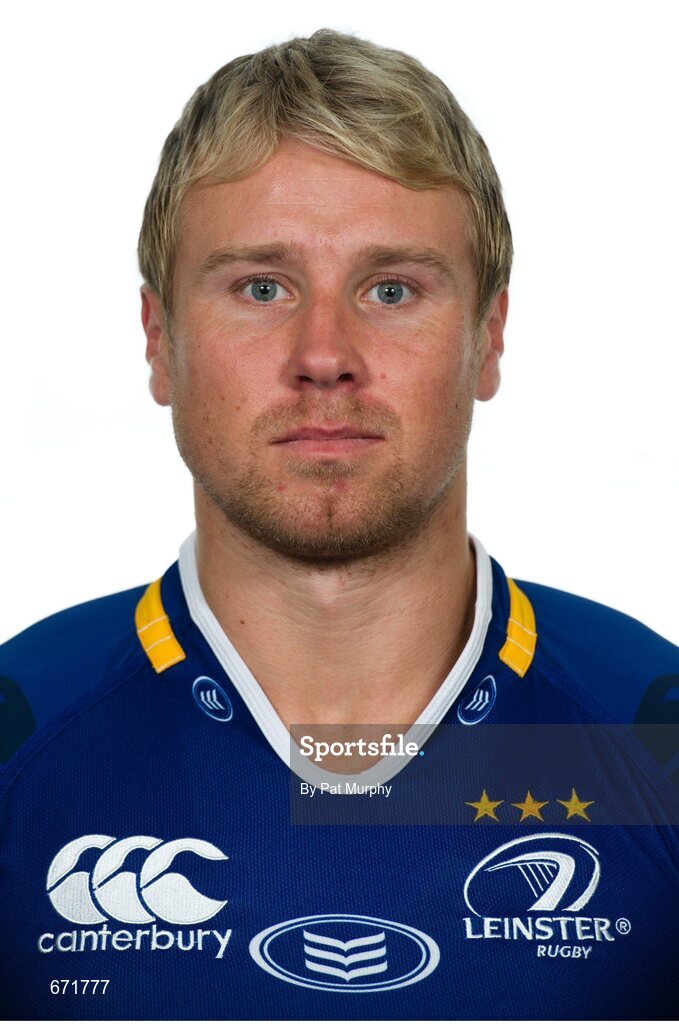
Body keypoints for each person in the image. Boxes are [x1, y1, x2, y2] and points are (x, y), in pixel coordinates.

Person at [0, 28, 676, 1022]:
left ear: (488, 338)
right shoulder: (19, 739)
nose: (324, 354)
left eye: (390, 289)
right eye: (260, 287)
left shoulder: (651, 735)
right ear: (159, 342)